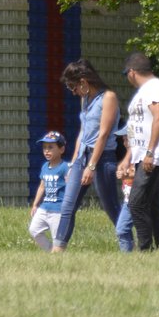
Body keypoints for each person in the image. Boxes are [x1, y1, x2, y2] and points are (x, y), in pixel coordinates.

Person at [49, 59, 123, 252]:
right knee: (68, 205)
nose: (73, 92)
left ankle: (130, 245)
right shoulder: (86, 99)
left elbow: (103, 134)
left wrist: (91, 166)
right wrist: (73, 163)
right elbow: (83, 133)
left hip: (102, 159)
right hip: (82, 157)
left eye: (73, 87)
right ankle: (58, 251)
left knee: (111, 207)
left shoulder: (108, 98)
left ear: (83, 81)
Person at [120, 52, 159, 251]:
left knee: (136, 203)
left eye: (126, 74)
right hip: (145, 156)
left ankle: (145, 250)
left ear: (132, 72)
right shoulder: (146, 91)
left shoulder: (155, 89)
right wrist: (129, 157)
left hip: (155, 157)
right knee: (152, 204)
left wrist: (150, 153)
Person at [28, 131, 70, 251]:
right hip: (45, 206)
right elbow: (42, 186)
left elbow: (72, 186)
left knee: (58, 238)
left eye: (51, 147)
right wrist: (35, 204)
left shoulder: (66, 167)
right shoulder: (45, 166)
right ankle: (50, 251)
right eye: (44, 147)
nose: (47, 150)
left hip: (58, 209)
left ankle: (57, 255)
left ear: (61, 150)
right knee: (34, 229)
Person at [112, 132, 135, 252]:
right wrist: (120, 174)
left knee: (122, 229)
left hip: (136, 200)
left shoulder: (139, 155)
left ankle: (128, 255)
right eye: (124, 140)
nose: (126, 143)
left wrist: (127, 173)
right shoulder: (126, 158)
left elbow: (140, 173)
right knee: (122, 229)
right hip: (127, 201)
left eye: (128, 140)